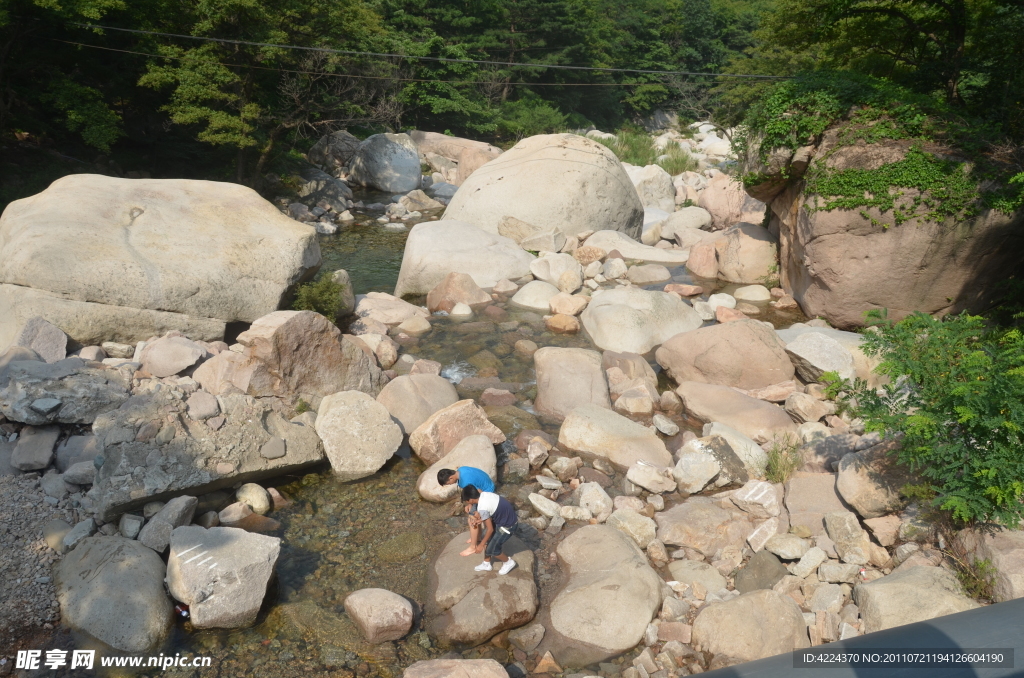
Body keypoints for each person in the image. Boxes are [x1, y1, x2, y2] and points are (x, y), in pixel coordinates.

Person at [437, 466, 496, 556]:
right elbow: (472, 490)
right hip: (488, 485)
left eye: (448, 483)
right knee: (473, 513)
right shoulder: (461, 470)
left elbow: (478, 494)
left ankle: (473, 547)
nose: (449, 484)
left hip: (486, 492)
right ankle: (478, 537)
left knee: (472, 519)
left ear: (451, 478)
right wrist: (470, 504)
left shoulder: (466, 481)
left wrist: (476, 508)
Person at [461, 485, 518, 574]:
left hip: (507, 526)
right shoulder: (484, 494)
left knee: (493, 550)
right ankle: (486, 563)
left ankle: (508, 562)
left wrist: (480, 545)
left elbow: (490, 529)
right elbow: (491, 510)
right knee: (485, 538)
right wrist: (479, 520)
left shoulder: (482, 508)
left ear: (471, 500)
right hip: (505, 517)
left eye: (466, 501)